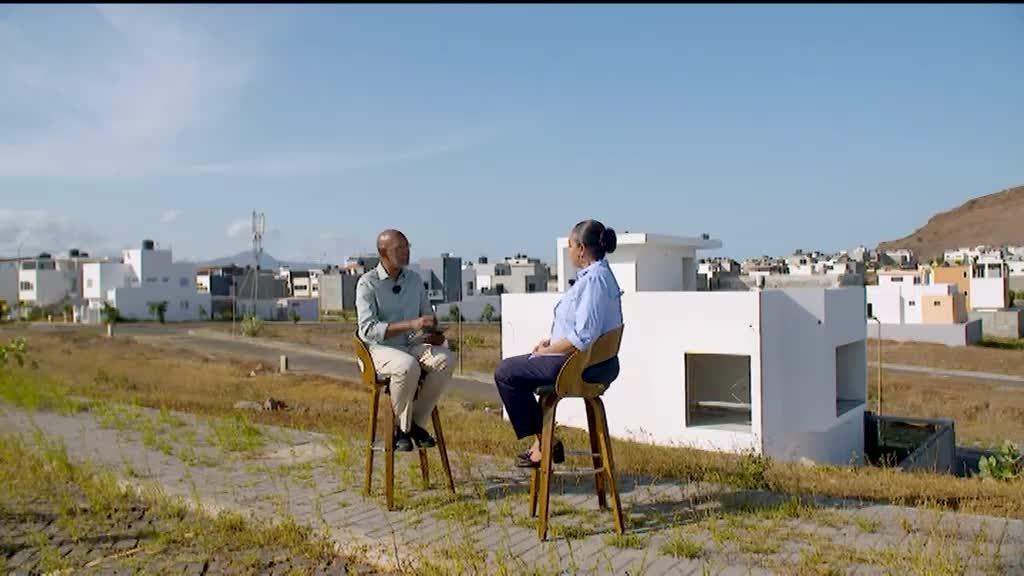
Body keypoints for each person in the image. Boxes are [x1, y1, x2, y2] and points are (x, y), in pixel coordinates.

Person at [494, 220, 623, 468]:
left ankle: (544, 443)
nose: (570, 250)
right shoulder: (598, 276)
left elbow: (583, 336)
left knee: (506, 373)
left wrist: (547, 351)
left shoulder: (595, 280)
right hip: (582, 360)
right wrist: (551, 343)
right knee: (515, 371)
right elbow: (581, 329)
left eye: (571, 245)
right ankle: (542, 443)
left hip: (580, 366)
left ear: (582, 249)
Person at [356, 229, 456, 452]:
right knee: (406, 366)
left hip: (412, 344)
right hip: (380, 349)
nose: (406, 252)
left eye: (407, 246)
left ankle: (414, 425)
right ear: (383, 253)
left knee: (446, 359)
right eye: (399, 248)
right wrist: (412, 324)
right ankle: (401, 428)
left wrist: (435, 331)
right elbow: (367, 330)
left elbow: (426, 316)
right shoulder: (367, 284)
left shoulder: (414, 280)